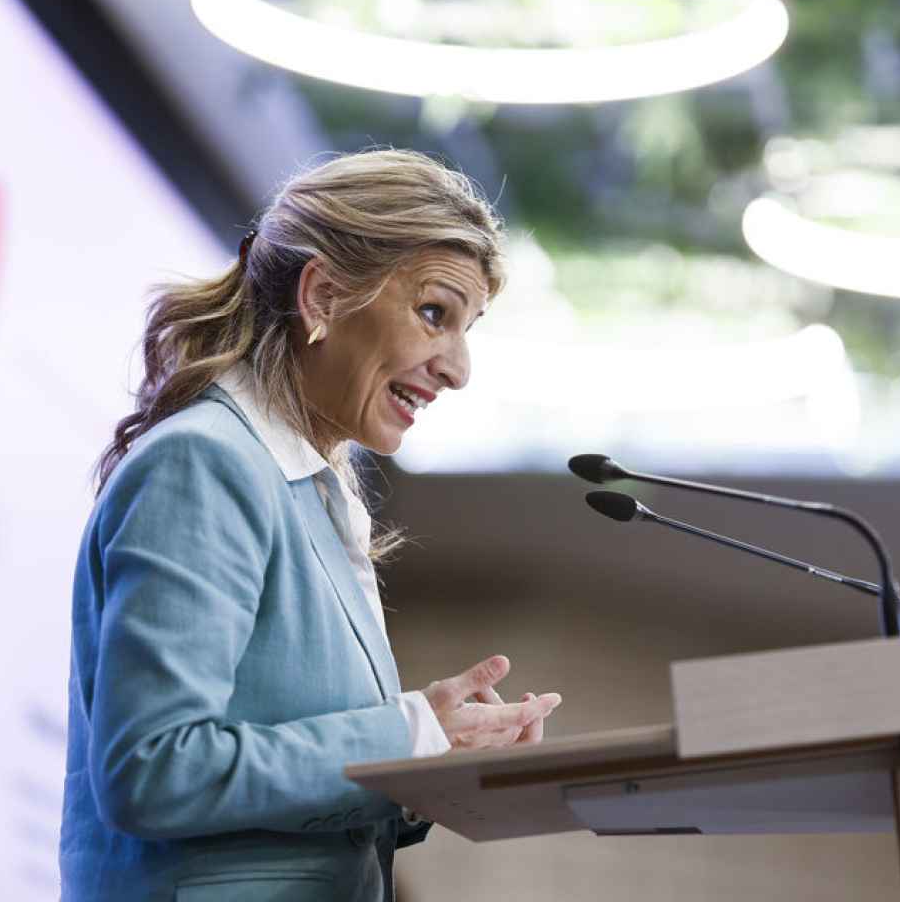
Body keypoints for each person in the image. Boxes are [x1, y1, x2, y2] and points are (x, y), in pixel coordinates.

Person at [59, 149, 562, 901]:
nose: (458, 369)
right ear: (323, 295)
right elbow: (155, 770)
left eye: (467, 329)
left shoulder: (310, 496)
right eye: (434, 314)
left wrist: (440, 762)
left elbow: (292, 792)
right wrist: (409, 736)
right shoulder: (205, 462)